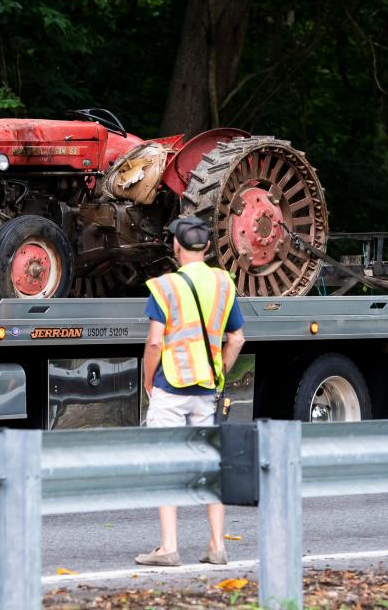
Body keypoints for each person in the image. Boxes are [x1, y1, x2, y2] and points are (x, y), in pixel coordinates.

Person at [135, 215, 246, 567]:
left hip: (171, 385)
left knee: (167, 463)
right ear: (209, 248)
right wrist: (219, 371)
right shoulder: (223, 284)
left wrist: (147, 378)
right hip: (206, 389)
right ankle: (217, 546)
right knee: (211, 463)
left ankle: (169, 547)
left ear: (175, 247)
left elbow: (155, 342)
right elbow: (237, 338)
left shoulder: (165, 287)